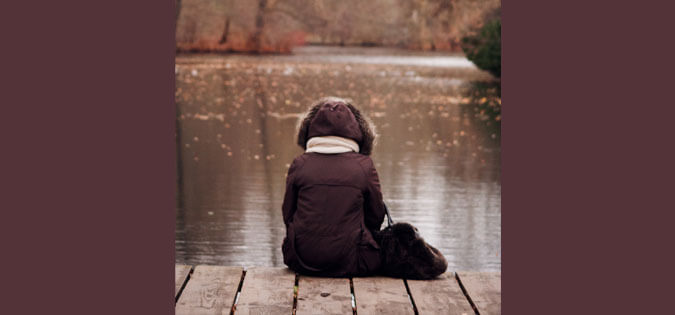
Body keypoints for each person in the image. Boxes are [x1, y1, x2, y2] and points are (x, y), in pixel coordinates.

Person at [281, 96, 384, 277]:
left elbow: (288, 214)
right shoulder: (364, 166)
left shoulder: (299, 164)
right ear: (357, 131)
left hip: (301, 259)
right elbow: (375, 216)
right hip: (353, 261)